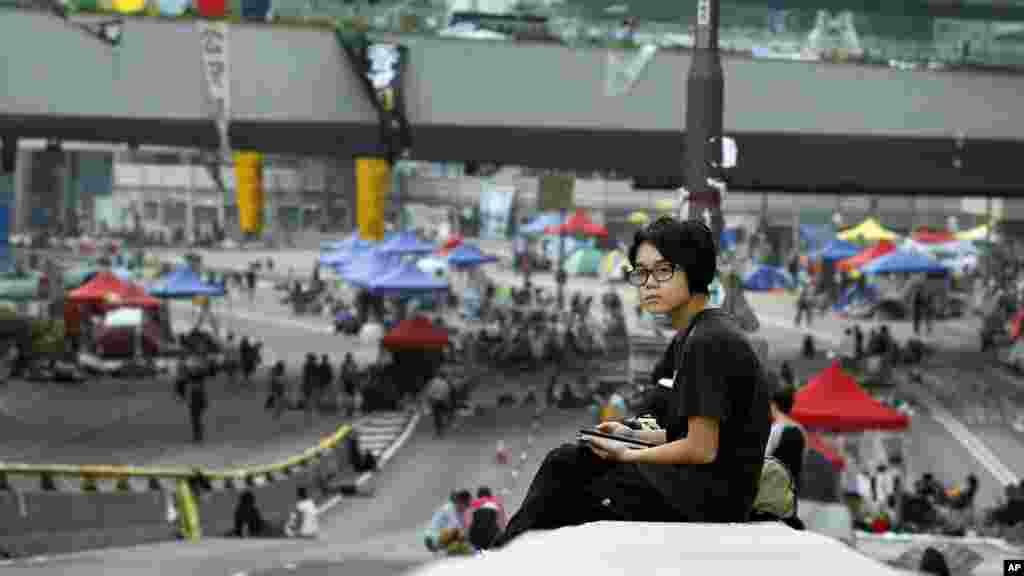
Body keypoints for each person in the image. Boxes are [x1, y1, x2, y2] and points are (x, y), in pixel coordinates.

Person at [492, 217, 772, 549]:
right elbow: (692, 433)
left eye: (663, 271)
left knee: (565, 482)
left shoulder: (708, 341)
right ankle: (501, 553)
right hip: (694, 485)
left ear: (694, 271)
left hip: (703, 499)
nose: (649, 283)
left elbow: (702, 449)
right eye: (641, 272)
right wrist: (633, 436)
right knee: (569, 458)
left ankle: (496, 558)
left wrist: (626, 453)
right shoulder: (699, 333)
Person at [765, 385, 806, 492]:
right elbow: (802, 459)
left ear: (773, 405)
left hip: (772, 488)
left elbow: (765, 459)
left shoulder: (775, 429)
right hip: (791, 489)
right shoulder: (800, 429)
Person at [427, 370, 451, 437]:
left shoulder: (434, 381)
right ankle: (442, 428)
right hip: (442, 400)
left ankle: (439, 430)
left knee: (437, 416)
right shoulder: (445, 382)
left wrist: (429, 399)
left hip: (435, 400)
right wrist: (447, 400)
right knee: (443, 414)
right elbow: (447, 392)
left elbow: (430, 391)